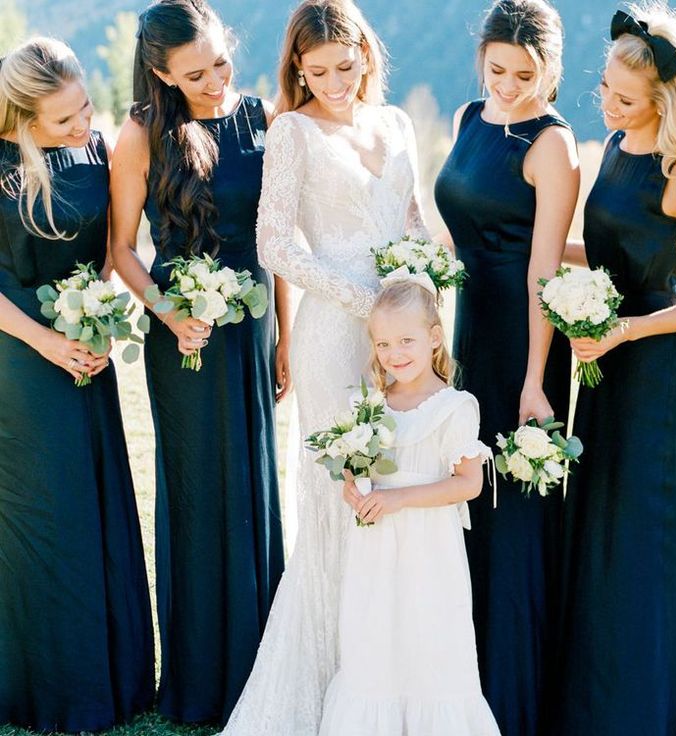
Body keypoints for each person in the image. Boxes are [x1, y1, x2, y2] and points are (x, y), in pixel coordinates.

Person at [220, 1, 428, 733]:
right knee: (341, 492)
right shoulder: (292, 131)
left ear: (367, 55)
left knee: (399, 478)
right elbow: (275, 245)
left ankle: (387, 673)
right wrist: (363, 299)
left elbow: (414, 222)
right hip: (334, 334)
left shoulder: (397, 124)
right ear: (297, 71)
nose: (335, 82)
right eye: (317, 72)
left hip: (405, 330)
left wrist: (427, 297)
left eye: (346, 66)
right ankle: (328, 683)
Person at [554, 4, 676, 734]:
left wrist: (630, 329)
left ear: (665, 101)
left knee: (644, 541)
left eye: (625, 100)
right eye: (603, 90)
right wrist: (522, 252)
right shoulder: (614, 147)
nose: (607, 106)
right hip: (605, 369)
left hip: (657, 377)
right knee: (599, 532)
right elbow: (604, 255)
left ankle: (654, 711)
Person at [110, 0, 287, 724]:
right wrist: (168, 310)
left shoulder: (262, 118)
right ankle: (198, 680)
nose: (216, 80)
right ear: (160, 72)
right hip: (182, 336)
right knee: (194, 495)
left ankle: (265, 674)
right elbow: (121, 249)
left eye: (221, 61)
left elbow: (272, 241)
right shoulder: (141, 132)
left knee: (254, 491)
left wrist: (287, 340)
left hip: (254, 329)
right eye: (195, 73)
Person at [0, 37, 154, 733]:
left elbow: (104, 249)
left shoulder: (94, 151)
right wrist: (47, 341)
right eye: (62, 121)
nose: (81, 127)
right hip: (19, 358)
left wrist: (93, 318)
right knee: (47, 514)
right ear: (23, 121)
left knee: (97, 501)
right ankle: (50, 693)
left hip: (83, 349)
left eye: (84, 109)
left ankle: (113, 683)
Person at [434, 1, 579, 732]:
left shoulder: (553, 144)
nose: (512, 85)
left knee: (513, 516)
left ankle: (515, 702)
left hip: (526, 347)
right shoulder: (466, 116)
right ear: (481, 61)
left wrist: (532, 380)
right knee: (469, 508)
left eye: (528, 74)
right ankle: (466, 688)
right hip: (468, 335)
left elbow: (543, 274)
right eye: (498, 70)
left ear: (550, 69)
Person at [319, 276, 501, 735]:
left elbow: (468, 485)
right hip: (376, 552)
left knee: (429, 643)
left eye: (406, 340)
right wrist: (352, 484)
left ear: (435, 337)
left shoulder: (455, 406)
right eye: (383, 343)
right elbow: (359, 464)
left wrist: (398, 498)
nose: (394, 353)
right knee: (375, 642)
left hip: (428, 553)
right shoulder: (373, 402)